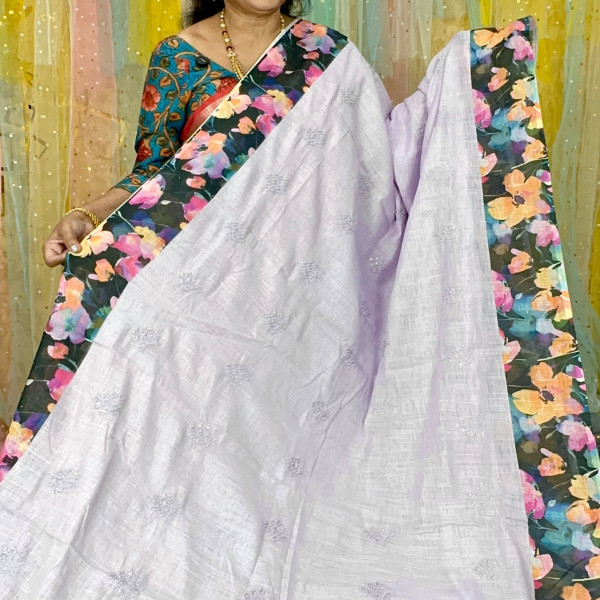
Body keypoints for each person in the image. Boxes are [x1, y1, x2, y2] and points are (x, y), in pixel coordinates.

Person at [42, 0, 303, 268]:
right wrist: (87, 216)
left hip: (303, 248)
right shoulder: (178, 57)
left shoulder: (324, 52)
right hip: (216, 257)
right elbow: (155, 173)